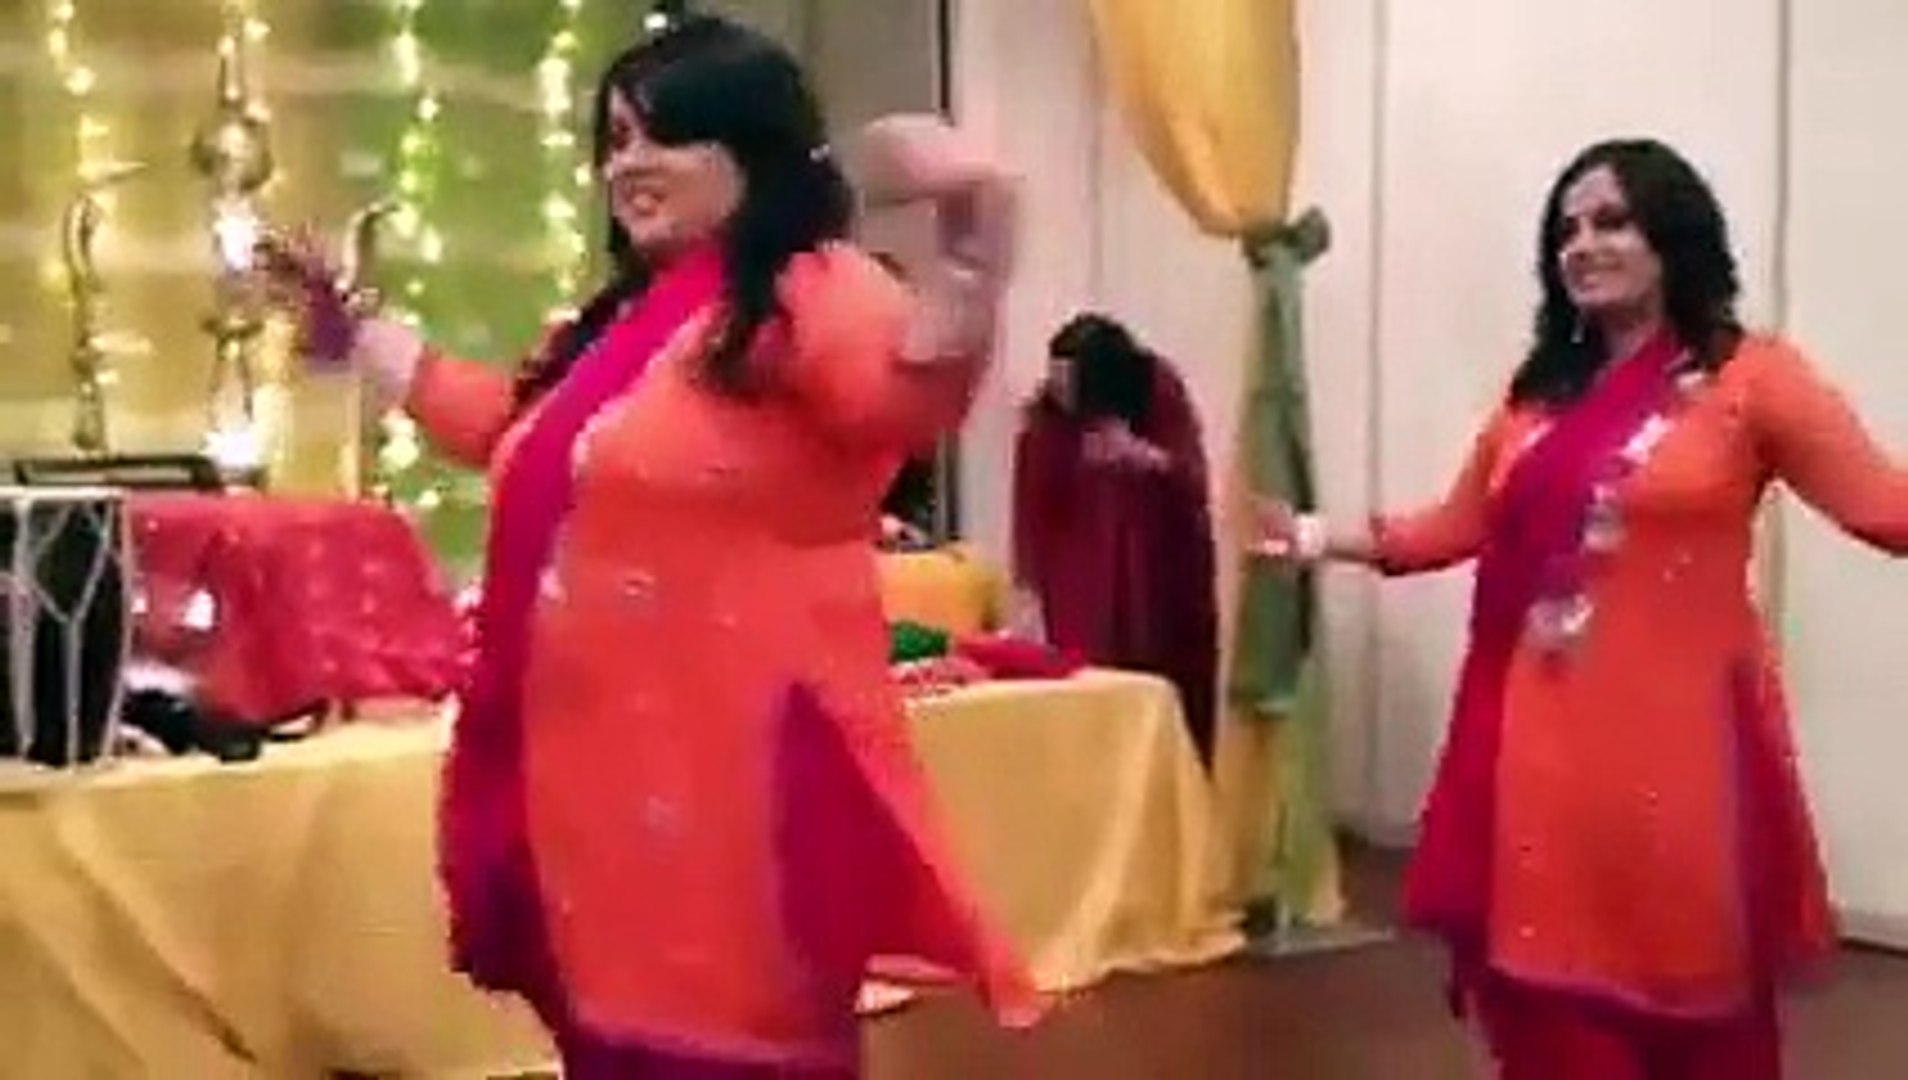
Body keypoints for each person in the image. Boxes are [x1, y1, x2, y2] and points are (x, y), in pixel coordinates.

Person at [261, 16, 1036, 1078]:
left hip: (734, 781)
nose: (627, 165)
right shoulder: (621, 327)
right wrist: (358, 333)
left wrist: (973, 238)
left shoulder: (808, 288)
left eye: (663, 135)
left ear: (749, 144)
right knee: (608, 1033)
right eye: (616, 140)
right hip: (586, 784)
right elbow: (508, 433)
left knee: (729, 1042)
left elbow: (907, 395)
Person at [1254, 137, 1908, 1078]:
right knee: (1551, 1013)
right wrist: (1314, 537)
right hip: (1539, 757)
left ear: (1672, 237)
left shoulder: (1752, 379)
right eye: (1567, 231)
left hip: (1684, 763)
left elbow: (1883, 507)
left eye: (1612, 222)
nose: (1584, 246)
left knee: (1698, 999)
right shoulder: (1536, 403)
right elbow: (1455, 525)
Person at [1012, 313, 1218, 764]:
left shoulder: (1157, 390)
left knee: (1165, 687)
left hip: (1159, 577)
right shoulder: (1049, 417)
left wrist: (1144, 458)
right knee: (1090, 691)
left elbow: (1191, 479)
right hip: (1081, 579)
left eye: (1068, 377)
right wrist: (1027, 590)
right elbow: (1031, 502)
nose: (1058, 387)